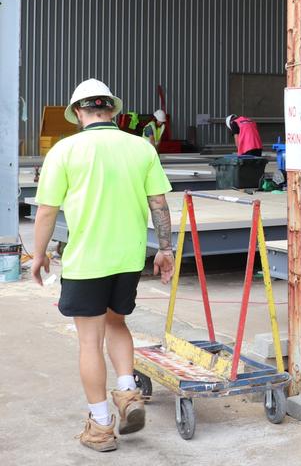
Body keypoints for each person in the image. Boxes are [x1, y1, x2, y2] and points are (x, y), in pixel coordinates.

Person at [31, 79, 174, 452]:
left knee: (89, 340)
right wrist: (166, 249)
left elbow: (46, 210)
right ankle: (128, 394)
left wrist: (40, 255)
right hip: (128, 258)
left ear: (78, 113)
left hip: (86, 260)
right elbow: (159, 202)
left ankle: (100, 426)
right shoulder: (141, 147)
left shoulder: (65, 151)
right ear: (113, 110)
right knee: (118, 323)